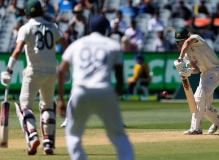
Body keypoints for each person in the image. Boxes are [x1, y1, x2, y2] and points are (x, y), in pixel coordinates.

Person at [57, 15, 134, 160]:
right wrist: (116, 95)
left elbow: (61, 71)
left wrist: (61, 99)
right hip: (104, 90)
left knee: (73, 135)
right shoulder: (113, 45)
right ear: (106, 29)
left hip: (80, 92)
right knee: (118, 135)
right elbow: (119, 77)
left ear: (90, 28)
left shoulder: (77, 44)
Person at [0, 0, 68, 155]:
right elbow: (66, 46)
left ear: (27, 14)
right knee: (48, 106)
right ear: (42, 12)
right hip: (51, 72)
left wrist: (8, 70)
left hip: (33, 72)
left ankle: (32, 136)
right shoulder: (53, 26)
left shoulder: (25, 28)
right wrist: (67, 68)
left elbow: (17, 50)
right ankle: (48, 143)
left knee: (25, 107)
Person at [173, 27, 219, 135]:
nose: (181, 43)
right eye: (179, 42)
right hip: (205, 74)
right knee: (204, 108)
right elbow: (196, 69)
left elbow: (188, 42)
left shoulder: (196, 39)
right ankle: (218, 120)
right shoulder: (187, 55)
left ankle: (195, 129)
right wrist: (188, 71)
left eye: (182, 40)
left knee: (199, 97)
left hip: (216, 70)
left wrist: (179, 59)